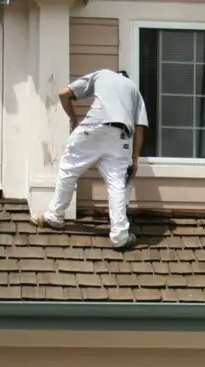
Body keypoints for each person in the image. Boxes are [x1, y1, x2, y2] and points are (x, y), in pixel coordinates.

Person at [41, 68, 148, 249]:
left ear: (116, 73)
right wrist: (135, 159)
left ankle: (55, 215)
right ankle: (120, 236)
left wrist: (73, 118)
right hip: (120, 137)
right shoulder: (133, 89)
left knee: (69, 168)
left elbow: (63, 94)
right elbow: (140, 128)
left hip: (94, 126)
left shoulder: (103, 74)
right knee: (116, 184)